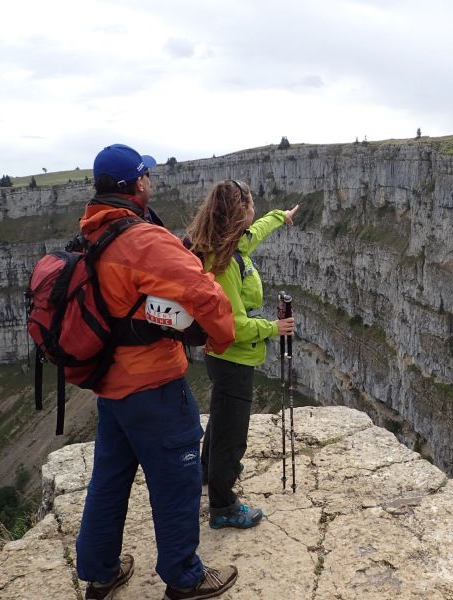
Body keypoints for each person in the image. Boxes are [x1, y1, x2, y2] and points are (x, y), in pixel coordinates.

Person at [75, 144, 240, 600]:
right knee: (177, 479)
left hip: (110, 384)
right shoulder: (142, 239)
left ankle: (99, 571)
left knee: (109, 478)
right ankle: (184, 577)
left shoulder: (90, 232)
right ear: (137, 183)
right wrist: (221, 338)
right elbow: (204, 293)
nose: (150, 182)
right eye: (146, 176)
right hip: (153, 386)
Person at [186, 179, 297, 529]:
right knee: (233, 434)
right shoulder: (225, 264)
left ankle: (207, 472)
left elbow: (256, 233)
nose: (255, 210)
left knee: (221, 415)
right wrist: (272, 328)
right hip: (234, 357)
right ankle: (223, 505)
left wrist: (280, 217)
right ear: (240, 212)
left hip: (223, 358)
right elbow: (231, 324)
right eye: (251, 204)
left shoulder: (228, 244)